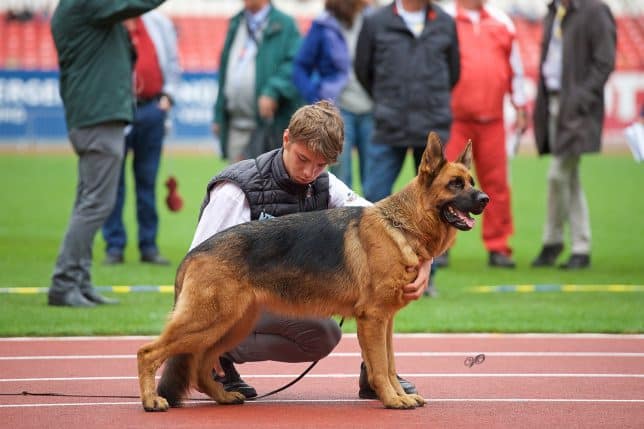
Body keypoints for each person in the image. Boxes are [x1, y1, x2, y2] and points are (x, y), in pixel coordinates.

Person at [190, 101, 431, 400]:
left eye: (320, 165)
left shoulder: (325, 184)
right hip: (230, 298)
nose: (309, 172)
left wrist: (424, 260)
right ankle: (209, 355)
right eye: (303, 159)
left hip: (280, 297)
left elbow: (383, 224)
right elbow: (197, 266)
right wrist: (200, 332)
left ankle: (375, 372)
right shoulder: (236, 191)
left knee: (323, 334)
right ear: (286, 138)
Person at [47, 0, 166, 308]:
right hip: (98, 119)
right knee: (96, 204)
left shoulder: (82, 8)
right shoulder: (85, 4)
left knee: (89, 200)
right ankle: (64, 282)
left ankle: (79, 281)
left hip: (96, 117)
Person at [354, 0, 460, 296]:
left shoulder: (445, 21)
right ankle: (373, 271)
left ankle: (429, 278)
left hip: (432, 130)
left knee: (439, 204)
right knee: (374, 200)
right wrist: (389, 100)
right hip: (389, 124)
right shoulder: (375, 21)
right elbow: (363, 70)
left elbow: (453, 73)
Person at [441, 0, 528, 268]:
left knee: (497, 184)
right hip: (454, 118)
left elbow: (516, 70)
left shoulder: (503, 22)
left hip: (493, 120)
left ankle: (498, 246)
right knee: (447, 185)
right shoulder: (445, 19)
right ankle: (442, 245)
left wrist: (520, 104)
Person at [531, 0, 616, 269]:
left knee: (558, 174)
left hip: (576, 109)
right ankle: (579, 246)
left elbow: (605, 60)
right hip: (553, 105)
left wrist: (580, 98)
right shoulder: (553, 11)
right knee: (570, 177)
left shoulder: (594, 10)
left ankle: (554, 241)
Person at [101, 10, 181, 266]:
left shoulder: (158, 23)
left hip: (151, 109)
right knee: (113, 183)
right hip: (115, 109)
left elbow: (171, 60)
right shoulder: (108, 21)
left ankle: (148, 245)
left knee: (147, 182)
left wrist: (168, 97)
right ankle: (115, 246)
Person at [292, 0, 375, 190]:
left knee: (374, 184)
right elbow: (300, 68)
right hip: (339, 111)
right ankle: (342, 220)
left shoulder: (374, 20)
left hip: (372, 109)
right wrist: (316, 98)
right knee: (340, 180)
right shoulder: (323, 25)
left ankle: (373, 221)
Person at [213, 0, 301, 163]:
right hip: (235, 124)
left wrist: (272, 91)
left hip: (268, 125)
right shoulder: (236, 23)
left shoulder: (284, 24)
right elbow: (224, 71)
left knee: (270, 183)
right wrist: (219, 115)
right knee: (236, 184)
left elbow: (294, 66)